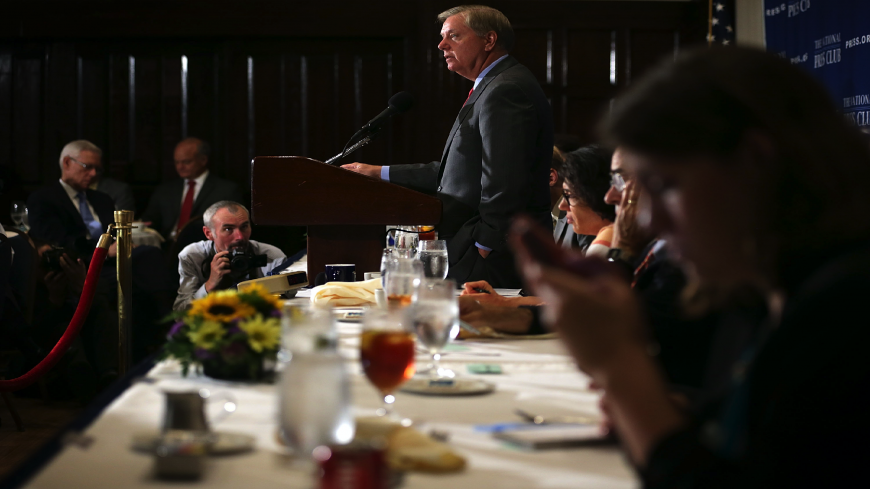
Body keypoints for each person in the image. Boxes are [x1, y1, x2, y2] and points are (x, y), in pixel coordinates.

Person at [514, 46, 870, 487]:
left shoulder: (851, 308)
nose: (649, 220)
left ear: (754, 163)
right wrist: (693, 417)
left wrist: (622, 372)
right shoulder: (758, 288)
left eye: (664, 186)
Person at [342, 5, 553, 288]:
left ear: (489, 40)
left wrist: (484, 245)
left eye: (453, 36)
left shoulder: (505, 90)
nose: (442, 45)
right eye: (443, 37)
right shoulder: (493, 85)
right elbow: (457, 171)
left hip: (493, 254)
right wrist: (377, 172)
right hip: (481, 248)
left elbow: (506, 179)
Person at [174, 201, 286, 310]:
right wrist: (209, 285)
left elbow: (289, 303)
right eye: (228, 229)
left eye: (244, 227)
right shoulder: (193, 256)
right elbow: (181, 312)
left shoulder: (272, 256)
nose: (240, 237)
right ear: (209, 233)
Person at [140, 138, 242, 241]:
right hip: (166, 246)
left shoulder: (226, 190)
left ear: (203, 160)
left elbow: (232, 226)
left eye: (186, 162)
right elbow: (148, 221)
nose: (180, 167)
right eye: (177, 162)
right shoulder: (165, 190)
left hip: (205, 248)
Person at [27, 140, 115, 260]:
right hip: (79, 267)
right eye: (87, 167)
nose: (93, 173)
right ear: (67, 163)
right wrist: (103, 253)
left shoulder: (103, 199)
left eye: (97, 169)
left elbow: (115, 235)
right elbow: (58, 244)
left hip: (115, 261)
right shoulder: (43, 199)